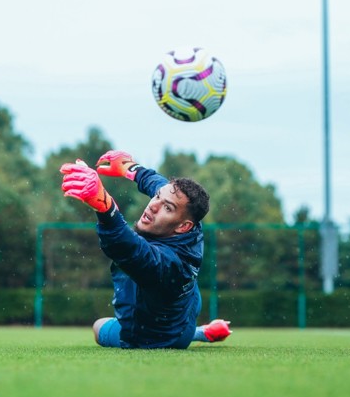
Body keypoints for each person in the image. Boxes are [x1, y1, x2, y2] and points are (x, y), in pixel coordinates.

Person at [59, 149, 232, 349]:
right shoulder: (190, 223)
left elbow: (128, 248)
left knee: (98, 327)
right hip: (185, 313)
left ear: (183, 226)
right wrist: (131, 169)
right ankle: (200, 332)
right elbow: (159, 185)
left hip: (150, 339)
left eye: (167, 208)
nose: (153, 206)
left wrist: (105, 207)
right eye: (157, 197)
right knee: (178, 302)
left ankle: (198, 332)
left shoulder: (168, 263)